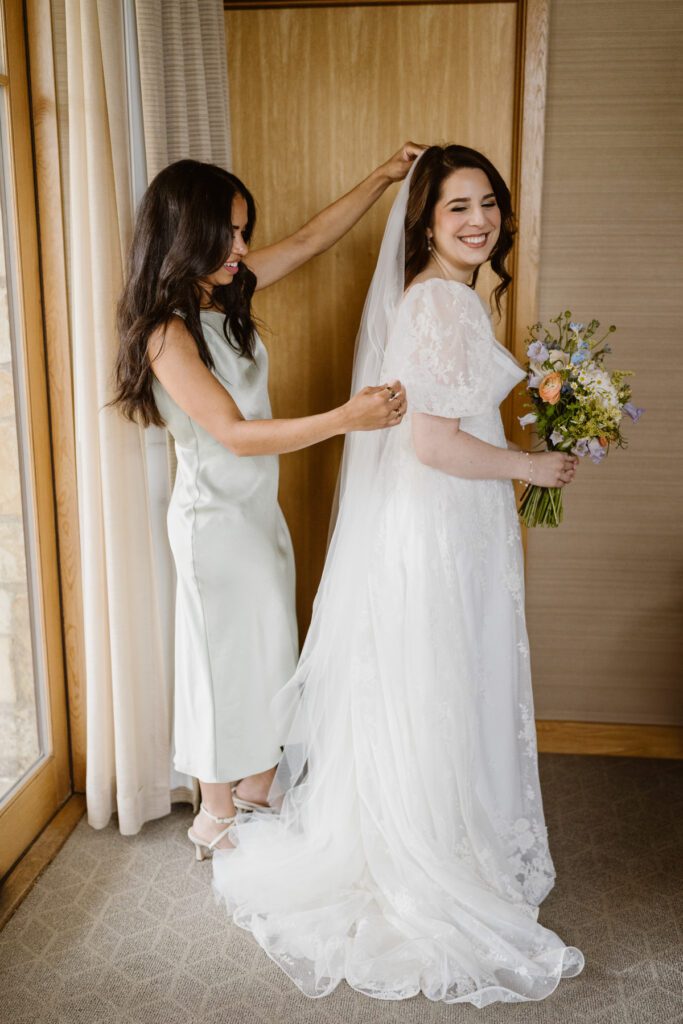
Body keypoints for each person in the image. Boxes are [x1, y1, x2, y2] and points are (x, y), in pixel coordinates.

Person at [211, 145, 585, 1006]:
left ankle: (430, 830)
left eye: (486, 202)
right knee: (441, 679)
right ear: (424, 221)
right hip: (439, 521)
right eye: (456, 206)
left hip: (430, 521)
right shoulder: (442, 306)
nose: (477, 220)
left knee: (426, 684)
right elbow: (433, 442)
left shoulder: (435, 297)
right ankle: (431, 852)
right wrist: (530, 468)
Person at [113, 144, 422, 857]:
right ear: (185, 235)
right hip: (214, 524)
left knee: (267, 649)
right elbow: (234, 434)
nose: (242, 248)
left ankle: (255, 782)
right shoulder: (166, 333)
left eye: (244, 231)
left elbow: (313, 240)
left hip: (254, 514)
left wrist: (377, 177)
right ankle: (213, 811)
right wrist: (345, 419)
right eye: (229, 233)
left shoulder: (227, 293)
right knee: (222, 663)